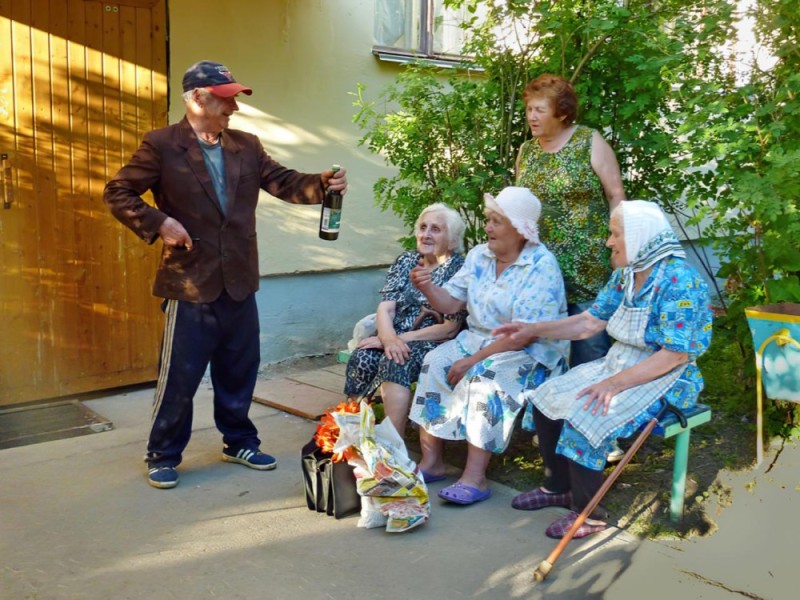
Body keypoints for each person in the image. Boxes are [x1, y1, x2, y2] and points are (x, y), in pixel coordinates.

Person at [104, 60, 348, 489]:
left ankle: (238, 441)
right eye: (226, 98)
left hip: (239, 280)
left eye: (234, 98)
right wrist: (160, 222)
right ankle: (162, 453)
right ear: (198, 98)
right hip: (190, 283)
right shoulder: (162, 145)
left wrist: (322, 183)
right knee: (181, 376)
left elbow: (284, 182)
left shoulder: (246, 146)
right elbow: (118, 191)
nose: (233, 106)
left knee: (239, 369)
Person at [493, 200, 713, 539]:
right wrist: (533, 328)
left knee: (588, 411)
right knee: (545, 396)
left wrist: (613, 385)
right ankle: (559, 488)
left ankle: (588, 514)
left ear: (640, 236)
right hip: (621, 363)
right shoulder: (626, 274)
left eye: (615, 234)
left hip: (669, 379)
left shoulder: (680, 281)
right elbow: (588, 322)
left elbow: (674, 356)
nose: (609, 242)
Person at [407, 186, 570, 504]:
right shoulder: (479, 255)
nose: (488, 227)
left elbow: (524, 334)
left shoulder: (541, 265)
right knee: (436, 361)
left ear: (520, 230)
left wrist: (472, 360)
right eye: (488, 220)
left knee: (484, 378)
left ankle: (475, 478)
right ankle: (433, 461)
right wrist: (428, 288)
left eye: (497, 221)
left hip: (527, 351)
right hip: (477, 339)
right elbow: (452, 303)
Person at [515, 73, 626, 367]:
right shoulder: (526, 152)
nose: (532, 117)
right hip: (540, 269)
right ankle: (546, 410)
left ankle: (591, 408)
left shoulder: (589, 141)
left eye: (540, 110)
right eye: (529, 109)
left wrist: (619, 245)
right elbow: (519, 207)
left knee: (590, 349)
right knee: (542, 350)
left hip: (588, 266)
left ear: (561, 112)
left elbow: (616, 194)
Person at [344, 203, 467, 435]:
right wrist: (387, 338)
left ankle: (394, 442)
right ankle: (355, 433)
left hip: (433, 342)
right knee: (362, 356)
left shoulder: (459, 268)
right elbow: (386, 308)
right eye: (423, 227)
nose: (426, 234)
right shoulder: (406, 260)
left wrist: (395, 340)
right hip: (394, 336)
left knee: (396, 360)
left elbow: (450, 328)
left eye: (436, 229)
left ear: (452, 240)